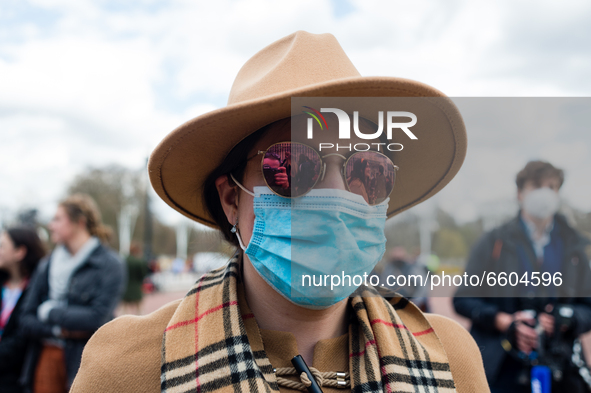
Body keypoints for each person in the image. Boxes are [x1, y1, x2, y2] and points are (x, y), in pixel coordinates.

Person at [71, 31, 489, 392]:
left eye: (367, 170)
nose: (336, 193)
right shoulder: (127, 368)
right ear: (232, 198)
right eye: (292, 165)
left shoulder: (450, 359)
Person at [453, 161, 591, 392]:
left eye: (552, 186)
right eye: (537, 185)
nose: (545, 193)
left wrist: (566, 319)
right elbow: (463, 299)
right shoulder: (493, 242)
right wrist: (503, 321)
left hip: (561, 368)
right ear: (520, 193)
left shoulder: (574, 246)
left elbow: (588, 307)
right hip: (502, 369)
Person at [19, 194, 126, 393]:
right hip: (46, 357)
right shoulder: (46, 264)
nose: (51, 225)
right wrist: (58, 331)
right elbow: (25, 318)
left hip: (87, 359)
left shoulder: (110, 264)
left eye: (58, 219)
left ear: (80, 222)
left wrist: (49, 312)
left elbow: (97, 318)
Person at [0, 227, 45, 393]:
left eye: (2, 246)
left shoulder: (37, 290)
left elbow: (22, 338)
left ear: (20, 251)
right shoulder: (2, 284)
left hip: (16, 377)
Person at [120, 243, 149, 315]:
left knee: (124, 310)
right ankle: (141, 324)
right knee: (139, 310)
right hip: (136, 287)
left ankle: (122, 324)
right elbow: (143, 274)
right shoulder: (139, 261)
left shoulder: (123, 260)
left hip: (125, 287)